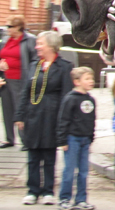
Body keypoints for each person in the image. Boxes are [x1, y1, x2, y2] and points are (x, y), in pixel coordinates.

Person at [15, 31, 74, 206]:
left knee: (49, 155)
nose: (37, 47)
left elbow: (66, 95)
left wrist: (64, 121)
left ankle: (48, 190)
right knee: (33, 155)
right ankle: (32, 190)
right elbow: (25, 91)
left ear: (51, 45)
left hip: (52, 116)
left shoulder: (64, 66)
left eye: (40, 44)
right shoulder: (34, 64)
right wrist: (19, 116)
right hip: (33, 116)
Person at [56, 67, 96, 210]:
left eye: (91, 78)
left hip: (85, 139)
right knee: (69, 170)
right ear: (77, 82)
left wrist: (91, 136)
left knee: (84, 171)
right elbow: (63, 120)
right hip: (72, 139)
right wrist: (62, 140)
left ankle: (81, 199)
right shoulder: (70, 99)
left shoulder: (91, 99)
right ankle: (64, 199)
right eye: (87, 79)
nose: (91, 81)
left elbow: (92, 119)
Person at [0, 15, 38, 148]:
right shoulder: (6, 40)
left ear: (18, 27)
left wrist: (32, 76)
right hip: (5, 80)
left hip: (21, 80)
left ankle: (25, 140)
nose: (7, 29)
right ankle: (9, 139)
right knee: (7, 109)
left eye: (9, 26)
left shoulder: (29, 40)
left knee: (20, 109)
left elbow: (35, 59)